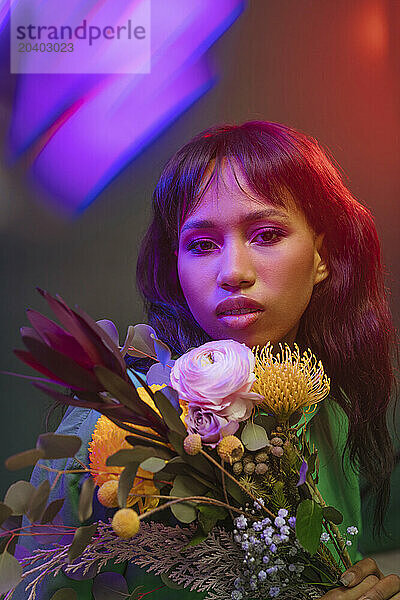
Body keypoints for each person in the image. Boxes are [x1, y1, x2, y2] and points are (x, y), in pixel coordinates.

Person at [14, 120, 399, 599]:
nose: (233, 271)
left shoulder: (332, 410)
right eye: (201, 245)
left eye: (265, 234)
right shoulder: (112, 426)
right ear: (175, 267)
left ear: (322, 255)